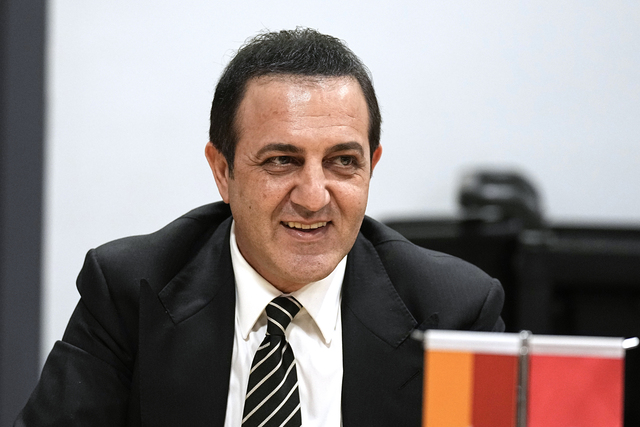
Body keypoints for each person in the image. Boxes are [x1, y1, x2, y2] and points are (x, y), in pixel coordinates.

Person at [16, 28, 504, 427]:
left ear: (371, 166)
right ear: (222, 172)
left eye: (342, 162)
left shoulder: (452, 312)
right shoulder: (130, 292)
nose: (313, 197)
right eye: (281, 161)